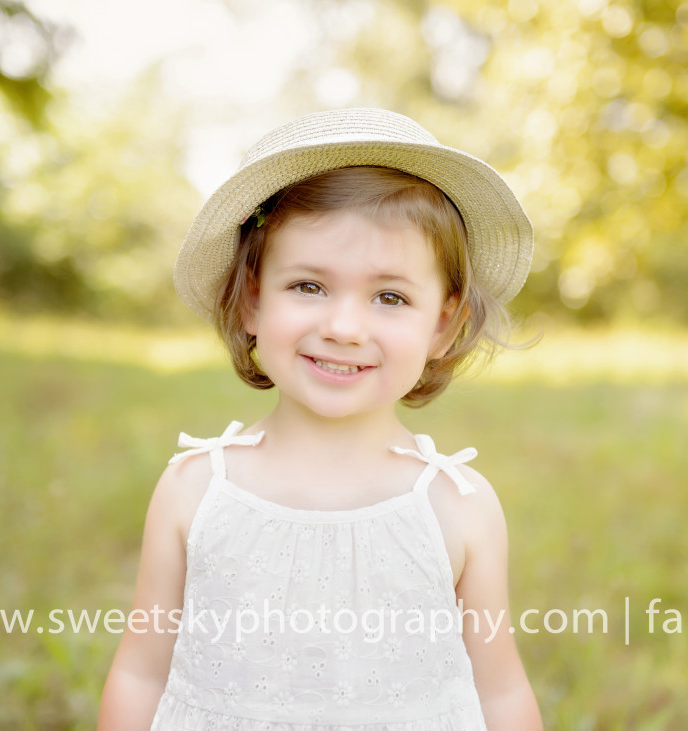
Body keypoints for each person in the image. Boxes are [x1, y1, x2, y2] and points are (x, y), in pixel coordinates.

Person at [98, 108, 542, 730]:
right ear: (252, 298)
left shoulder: (456, 505)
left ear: (443, 324)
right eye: (308, 286)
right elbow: (140, 671)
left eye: (391, 297)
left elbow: (500, 693)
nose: (342, 328)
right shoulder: (196, 489)